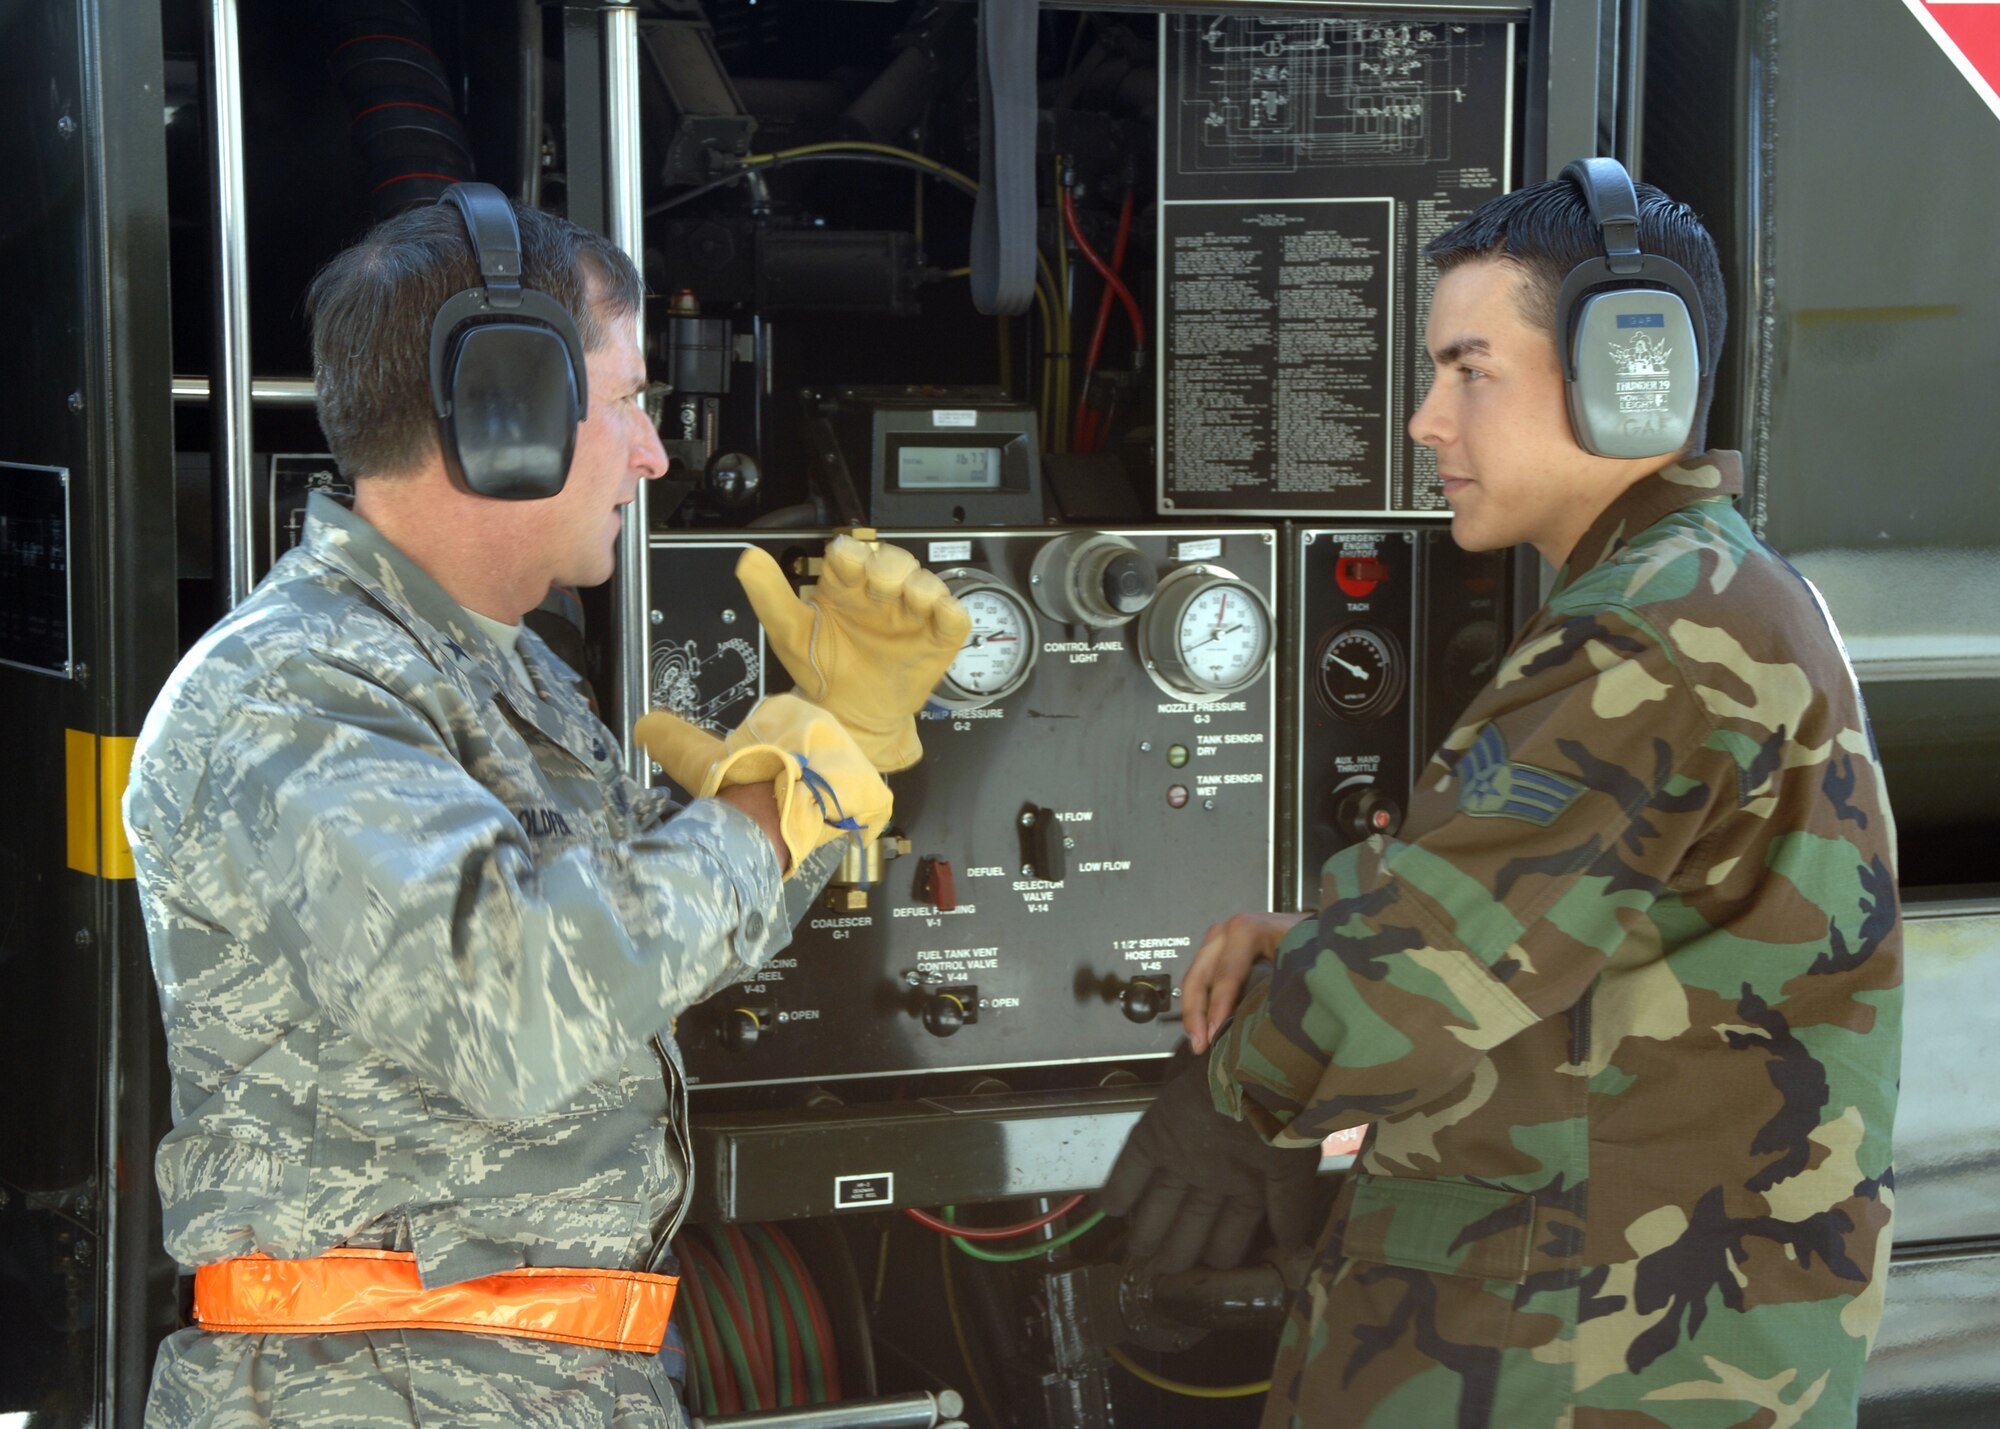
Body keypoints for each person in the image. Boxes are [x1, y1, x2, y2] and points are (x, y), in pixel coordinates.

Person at [124, 187, 963, 1427]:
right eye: (628, 404)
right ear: (501, 411)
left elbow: (630, 964)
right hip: (375, 1390)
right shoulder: (291, 690)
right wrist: (768, 805)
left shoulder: (500, 673)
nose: (654, 454)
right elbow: (514, 1009)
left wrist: (839, 751)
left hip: (538, 1375)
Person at [1102, 163, 1901, 1427]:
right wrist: (1310, 938)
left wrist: (1226, 1098)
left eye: (1467, 371)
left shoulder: (1653, 635)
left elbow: (1414, 971)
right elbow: (1554, 929)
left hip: (1581, 1355)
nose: (1425, 418)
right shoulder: (1690, 591)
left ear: (1626, 372)